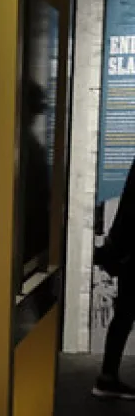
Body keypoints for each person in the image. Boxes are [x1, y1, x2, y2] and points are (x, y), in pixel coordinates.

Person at [93, 156, 135, 399]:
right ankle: (107, 377)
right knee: (125, 314)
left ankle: (107, 376)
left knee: (124, 314)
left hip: (129, 253)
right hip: (132, 253)